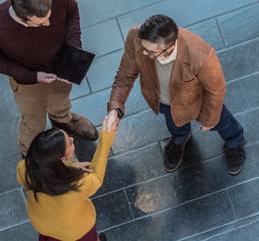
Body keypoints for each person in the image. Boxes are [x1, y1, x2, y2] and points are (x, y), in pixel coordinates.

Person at [105, 14, 246, 175]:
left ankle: (234, 142)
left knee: (222, 121)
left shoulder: (201, 55)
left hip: (197, 100)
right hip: (163, 100)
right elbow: (125, 75)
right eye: (143, 48)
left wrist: (210, 119)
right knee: (173, 121)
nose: (143, 53)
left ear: (169, 48)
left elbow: (215, 91)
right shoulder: (135, 37)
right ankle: (180, 138)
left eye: (150, 52)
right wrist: (114, 109)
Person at [0, 0, 98, 155]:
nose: (48, 24)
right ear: (21, 18)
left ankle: (62, 118)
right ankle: (29, 152)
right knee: (33, 120)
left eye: (49, 17)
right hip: (27, 79)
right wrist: (31, 76)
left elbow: (71, 12)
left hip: (61, 62)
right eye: (40, 24)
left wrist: (72, 49)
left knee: (61, 96)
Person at [17, 117, 117, 241]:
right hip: (76, 231)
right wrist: (106, 137)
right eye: (70, 143)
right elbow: (97, 177)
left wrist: (71, 166)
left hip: (45, 226)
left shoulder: (24, 169)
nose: (72, 140)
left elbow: (48, 171)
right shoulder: (78, 185)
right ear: (61, 160)